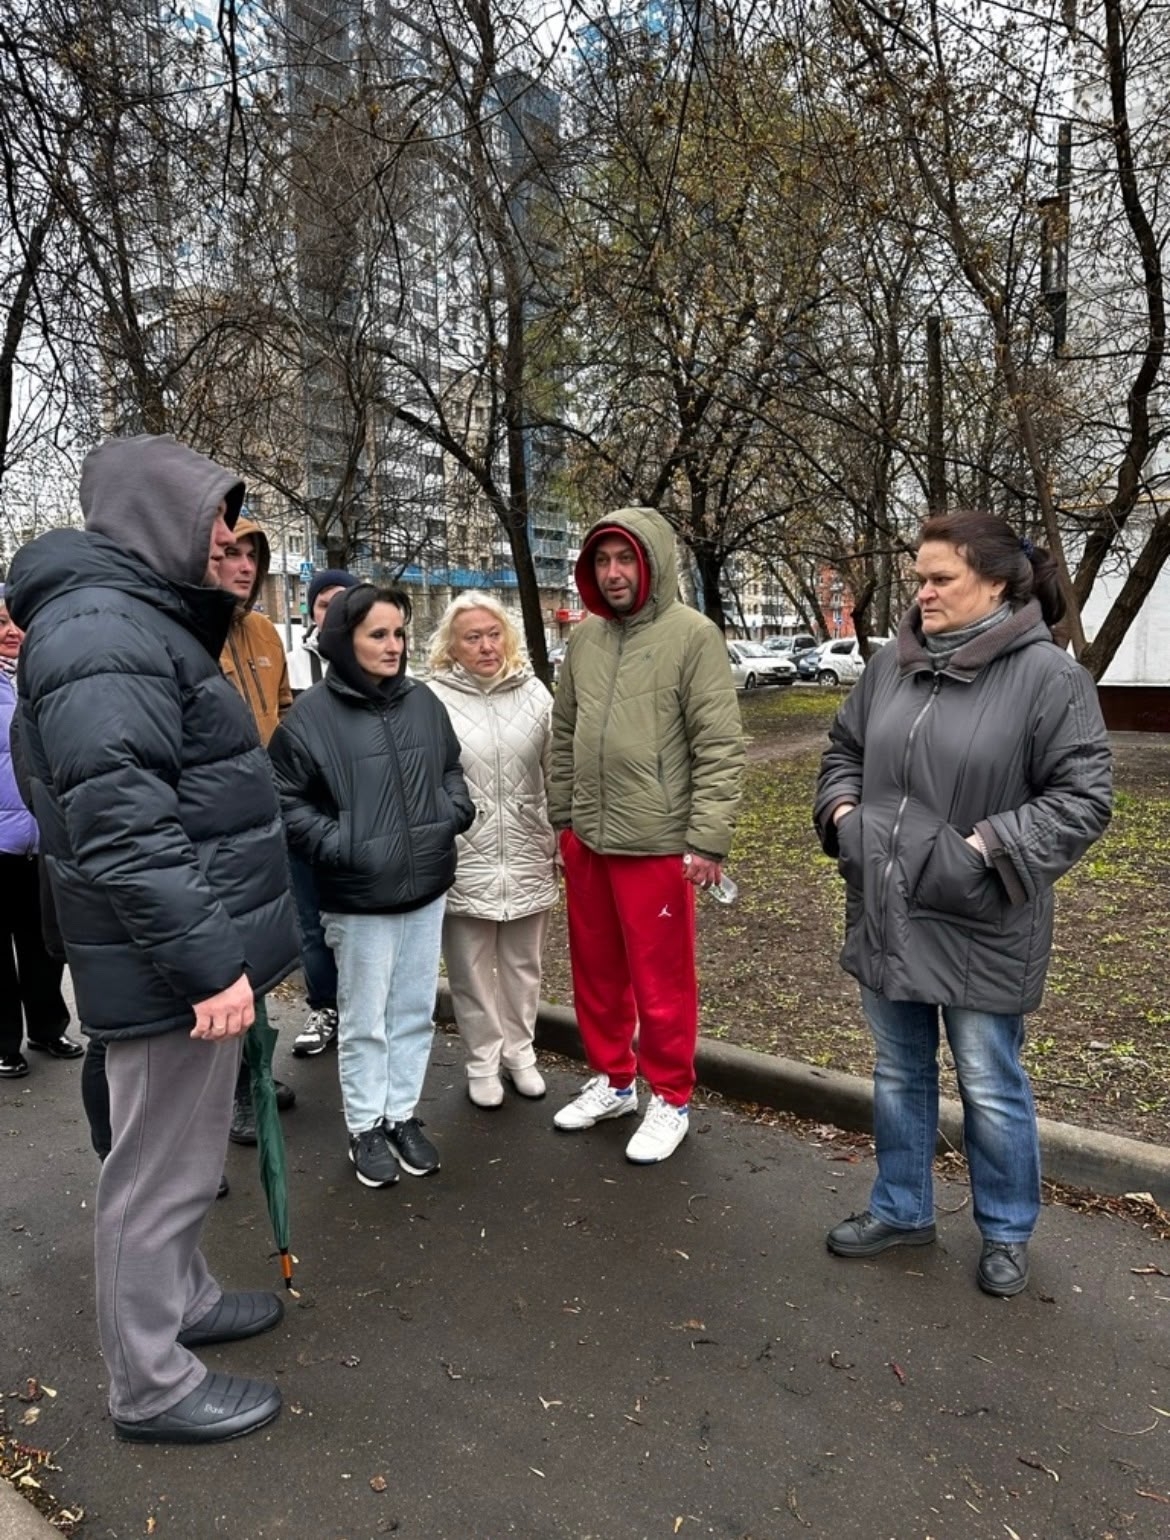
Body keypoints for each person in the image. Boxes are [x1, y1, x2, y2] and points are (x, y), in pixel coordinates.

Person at [7, 433, 299, 1443]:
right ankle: (151, 1383)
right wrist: (211, 966)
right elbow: (125, 829)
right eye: (213, 515)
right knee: (156, 1173)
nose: (226, 538)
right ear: (153, 515)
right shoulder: (101, 628)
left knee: (179, 1161)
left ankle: (183, 1301)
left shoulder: (125, 617)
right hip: (169, 962)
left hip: (176, 953)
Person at [814, 511, 1112, 1298]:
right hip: (887, 907)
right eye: (920, 577)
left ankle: (1007, 1229)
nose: (924, 592)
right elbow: (844, 750)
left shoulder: (1049, 678)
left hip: (982, 916)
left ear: (998, 583)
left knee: (988, 1081)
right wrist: (844, 819)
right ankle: (901, 1209)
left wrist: (978, 850)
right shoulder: (891, 665)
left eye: (940, 578)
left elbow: (1083, 799)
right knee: (898, 1071)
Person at [548, 506, 744, 1164]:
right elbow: (565, 734)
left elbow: (719, 745)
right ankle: (613, 1081)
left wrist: (707, 841)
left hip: (658, 843)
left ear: (652, 562)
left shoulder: (693, 636)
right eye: (602, 561)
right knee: (596, 974)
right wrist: (563, 822)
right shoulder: (585, 641)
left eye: (625, 559)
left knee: (662, 984)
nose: (613, 573)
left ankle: (671, 1097)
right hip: (589, 839)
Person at [269, 584, 474, 1188]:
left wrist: (451, 814)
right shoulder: (310, 718)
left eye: (399, 633)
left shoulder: (423, 702)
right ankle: (365, 1128)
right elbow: (285, 802)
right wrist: (346, 846)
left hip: (426, 888)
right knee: (364, 1020)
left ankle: (401, 1115)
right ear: (344, 640)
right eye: (377, 634)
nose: (393, 646)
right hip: (358, 900)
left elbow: (450, 768)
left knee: (412, 1012)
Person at [426, 594, 557, 1108]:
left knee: (524, 965)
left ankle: (520, 1054)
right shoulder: (431, 699)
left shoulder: (535, 693)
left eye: (494, 634)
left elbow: (556, 771)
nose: (486, 646)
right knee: (470, 969)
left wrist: (559, 836)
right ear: (452, 646)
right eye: (472, 637)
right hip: (463, 853)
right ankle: (482, 1062)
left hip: (528, 847)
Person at [211, 515, 297, 1144]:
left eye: (253, 556)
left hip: (268, 817)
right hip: (217, 822)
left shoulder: (264, 630)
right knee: (227, 958)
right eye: (232, 553)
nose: (244, 566)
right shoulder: (190, 631)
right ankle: (234, 1090)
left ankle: (257, 1071)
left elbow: (283, 712)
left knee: (262, 953)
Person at [0, 590, 79, 1078]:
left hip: (42, 836)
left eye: (17, 622)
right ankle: (4, 1042)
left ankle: (48, 1028)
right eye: (0, 623)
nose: (11, 631)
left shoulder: (44, 677)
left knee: (45, 942)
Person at [286, 568, 360, 1059]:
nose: (333, 610)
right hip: (306, 817)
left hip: (363, 817)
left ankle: (364, 1012)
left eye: (344, 600)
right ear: (311, 612)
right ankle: (325, 1006)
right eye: (323, 602)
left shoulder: (378, 660)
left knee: (362, 920)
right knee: (311, 921)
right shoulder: (292, 665)